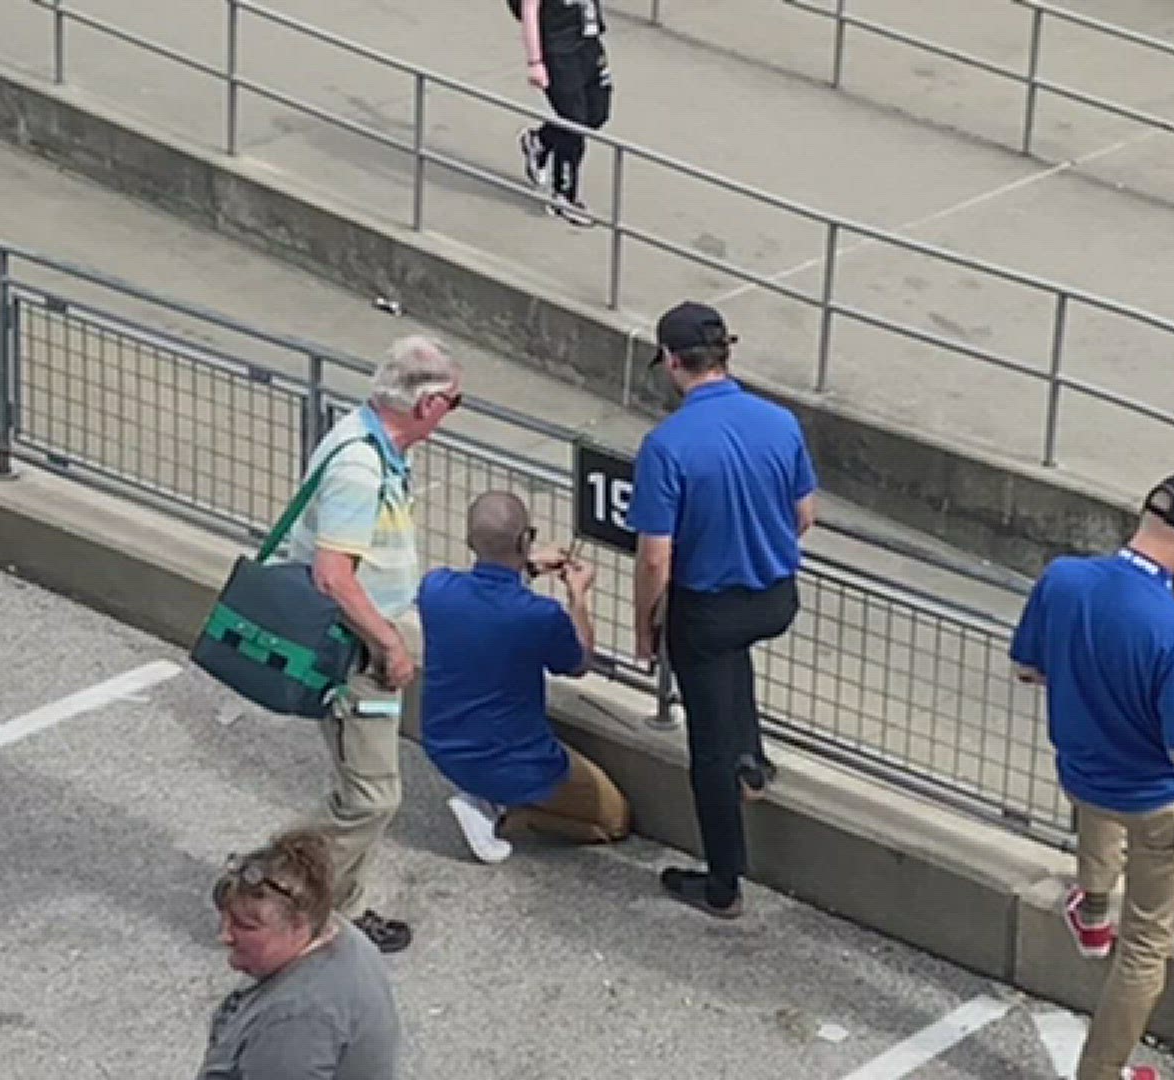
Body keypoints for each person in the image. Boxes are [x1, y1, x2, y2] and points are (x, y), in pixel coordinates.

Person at [1007, 472, 1174, 1080]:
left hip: (1083, 774)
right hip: (1155, 803)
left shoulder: (1062, 579)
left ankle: (1091, 914)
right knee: (1143, 948)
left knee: (1097, 840)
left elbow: (1028, 670)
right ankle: (1101, 1074)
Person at [628, 301, 817, 919]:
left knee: (705, 742)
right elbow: (804, 515)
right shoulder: (780, 421)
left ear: (673, 363)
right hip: (775, 597)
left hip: (707, 609)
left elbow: (656, 558)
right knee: (732, 662)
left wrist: (646, 628)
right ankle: (753, 763)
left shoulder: (667, 446)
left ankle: (723, 883)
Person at [283, 334, 464, 954]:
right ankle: (270, 877)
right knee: (373, 798)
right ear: (429, 406)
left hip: (360, 641)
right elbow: (333, 575)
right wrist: (390, 643)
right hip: (356, 650)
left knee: (357, 789)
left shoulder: (369, 444)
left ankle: (341, 909)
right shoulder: (360, 467)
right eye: (455, 402)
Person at [416, 491, 631, 864]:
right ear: (525, 539)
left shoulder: (435, 588)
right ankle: (507, 816)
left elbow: (485, 600)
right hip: (516, 762)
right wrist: (578, 597)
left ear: (469, 541)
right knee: (617, 820)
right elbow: (579, 662)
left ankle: (486, 797)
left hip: (443, 747)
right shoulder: (540, 616)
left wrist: (526, 567)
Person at [198, 826, 402, 1079]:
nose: (224, 936)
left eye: (244, 926)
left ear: (298, 926)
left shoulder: (297, 1023)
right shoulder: (336, 929)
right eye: (225, 918)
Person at [512, 0, 612, 227]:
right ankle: (564, 195)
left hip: (588, 42)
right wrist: (535, 61)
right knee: (574, 124)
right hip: (558, 51)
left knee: (596, 115)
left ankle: (540, 142)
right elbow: (529, 10)